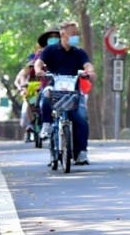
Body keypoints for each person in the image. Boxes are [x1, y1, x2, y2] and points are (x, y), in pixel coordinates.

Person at [35, 22, 97, 164]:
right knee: (46, 95)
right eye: (73, 34)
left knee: (81, 116)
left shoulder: (79, 52)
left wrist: (91, 72)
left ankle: (81, 152)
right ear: (63, 34)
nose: (76, 37)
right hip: (54, 88)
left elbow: (87, 64)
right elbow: (39, 62)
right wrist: (39, 70)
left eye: (77, 34)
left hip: (73, 92)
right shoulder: (50, 50)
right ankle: (46, 125)